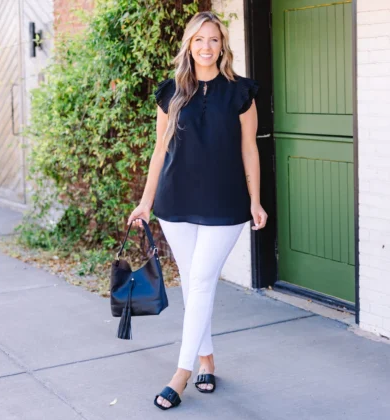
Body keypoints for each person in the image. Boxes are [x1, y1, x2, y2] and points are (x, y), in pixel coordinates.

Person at [127, 11, 268, 410]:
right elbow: (160, 151)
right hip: (175, 201)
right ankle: (206, 359)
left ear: (223, 46)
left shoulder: (240, 92)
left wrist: (255, 200)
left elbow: (249, 149)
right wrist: (146, 202)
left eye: (214, 40)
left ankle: (181, 373)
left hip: (225, 202)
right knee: (193, 284)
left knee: (202, 282)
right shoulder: (171, 91)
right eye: (199, 40)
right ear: (189, 45)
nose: (207, 47)